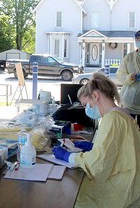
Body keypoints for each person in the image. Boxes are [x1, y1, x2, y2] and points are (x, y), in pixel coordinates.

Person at [52, 72, 140, 208]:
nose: (86, 109)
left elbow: (98, 166)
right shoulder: (121, 113)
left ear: (95, 96)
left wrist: (68, 156)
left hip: (123, 189)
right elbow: (118, 148)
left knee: (70, 196)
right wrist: (93, 146)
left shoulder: (112, 119)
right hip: (130, 181)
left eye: (85, 104)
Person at [116, 30, 140, 127]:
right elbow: (120, 75)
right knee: (128, 129)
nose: (138, 41)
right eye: (137, 39)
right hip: (129, 102)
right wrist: (130, 77)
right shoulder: (129, 58)